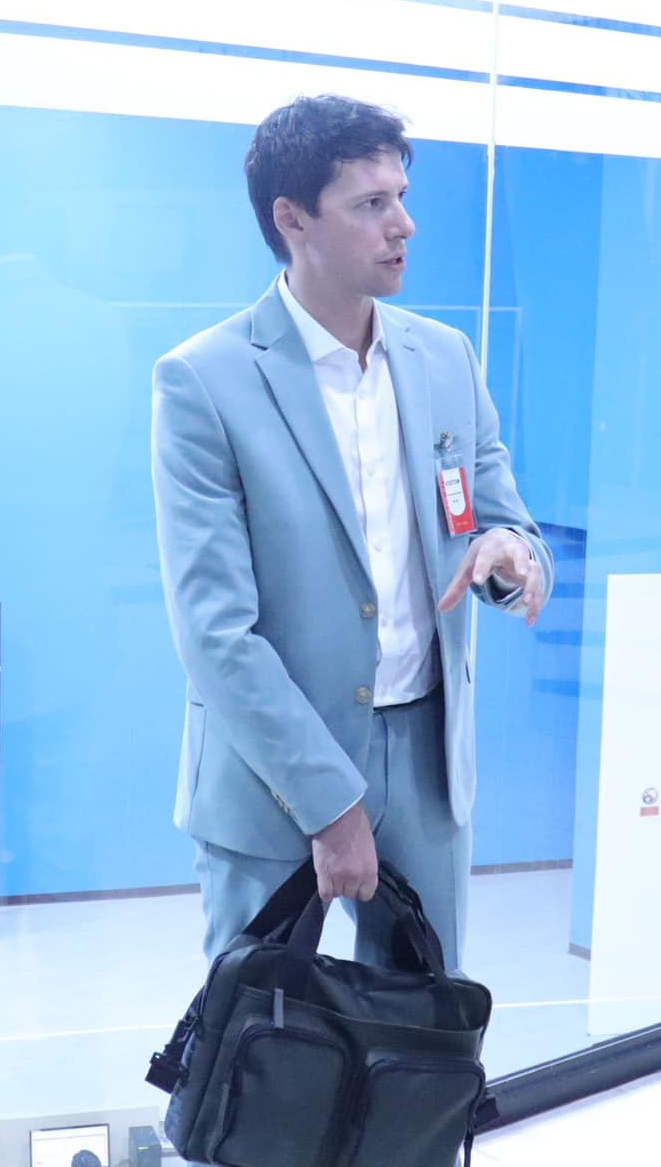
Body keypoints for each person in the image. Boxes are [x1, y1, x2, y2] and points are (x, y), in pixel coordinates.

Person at [152, 94, 553, 975]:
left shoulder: (445, 359)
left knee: (425, 1036)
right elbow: (215, 632)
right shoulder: (204, 382)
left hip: (428, 763)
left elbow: (504, 522)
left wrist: (511, 557)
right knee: (258, 1035)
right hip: (272, 774)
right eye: (371, 204)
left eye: (401, 197)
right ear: (292, 219)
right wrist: (330, 806)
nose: (403, 225)